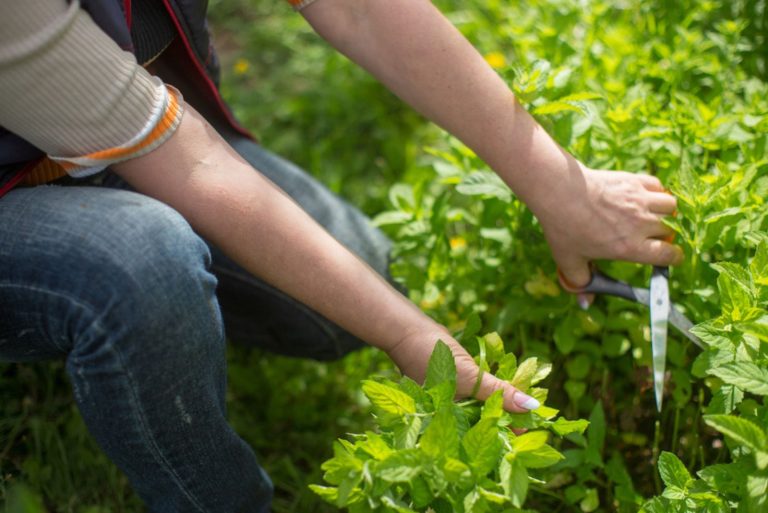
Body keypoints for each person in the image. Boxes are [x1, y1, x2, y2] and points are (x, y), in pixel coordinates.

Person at [0, 0, 681, 511]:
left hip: (128, 127)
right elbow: (176, 158)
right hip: (30, 177)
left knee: (360, 280)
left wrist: (563, 188)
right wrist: (409, 333)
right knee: (143, 264)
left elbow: (359, 7)